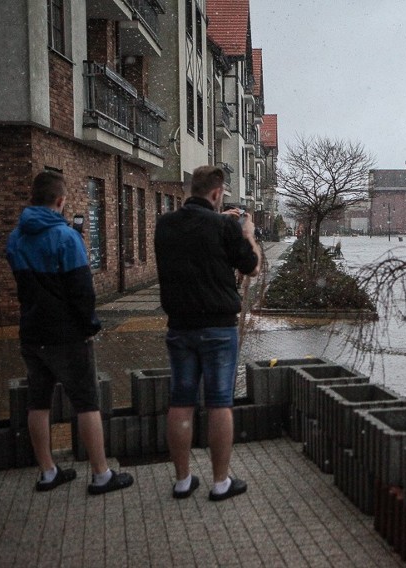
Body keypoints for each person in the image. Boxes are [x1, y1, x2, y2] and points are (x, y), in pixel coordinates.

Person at [6, 171, 134, 495]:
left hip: (31, 334)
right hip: (67, 336)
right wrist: (90, 326)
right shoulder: (67, 238)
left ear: (32, 198)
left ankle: (48, 472)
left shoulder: (16, 238)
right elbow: (82, 292)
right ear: (61, 201)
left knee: (38, 403)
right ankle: (101, 474)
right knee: (87, 404)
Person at [154, 165, 261, 501]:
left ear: (191, 190)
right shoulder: (225, 226)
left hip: (180, 326)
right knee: (219, 403)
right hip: (217, 327)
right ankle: (220, 483)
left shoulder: (164, 225)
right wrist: (247, 234)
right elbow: (252, 266)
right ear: (217, 193)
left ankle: (183, 481)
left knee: (181, 401)